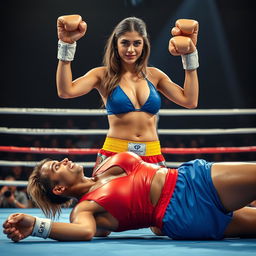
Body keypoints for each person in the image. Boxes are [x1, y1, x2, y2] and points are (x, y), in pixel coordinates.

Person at [3, 152, 256, 242]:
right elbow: (84, 232)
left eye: (58, 161)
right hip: (182, 215)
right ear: (59, 189)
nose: (64, 160)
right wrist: (36, 225)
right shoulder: (85, 209)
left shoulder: (103, 164)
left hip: (187, 180)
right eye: (57, 167)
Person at [56, 15, 199, 168]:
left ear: (144, 45)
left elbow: (189, 101)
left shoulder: (155, 75)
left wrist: (189, 55)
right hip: (115, 154)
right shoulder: (102, 75)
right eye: (125, 43)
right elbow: (66, 91)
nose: (131, 49)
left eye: (137, 43)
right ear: (116, 44)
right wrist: (66, 44)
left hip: (152, 154)